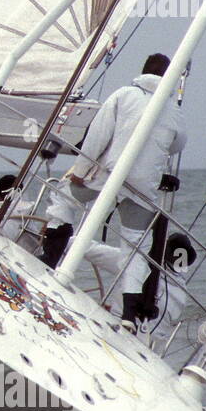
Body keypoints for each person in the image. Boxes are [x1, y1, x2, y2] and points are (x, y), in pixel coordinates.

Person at [39, 53, 187, 325]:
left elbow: (98, 136)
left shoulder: (123, 95)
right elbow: (177, 144)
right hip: (142, 187)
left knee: (62, 195)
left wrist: (81, 172)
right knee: (134, 247)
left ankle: (50, 256)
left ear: (143, 71)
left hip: (108, 175)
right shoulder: (173, 111)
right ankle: (130, 313)